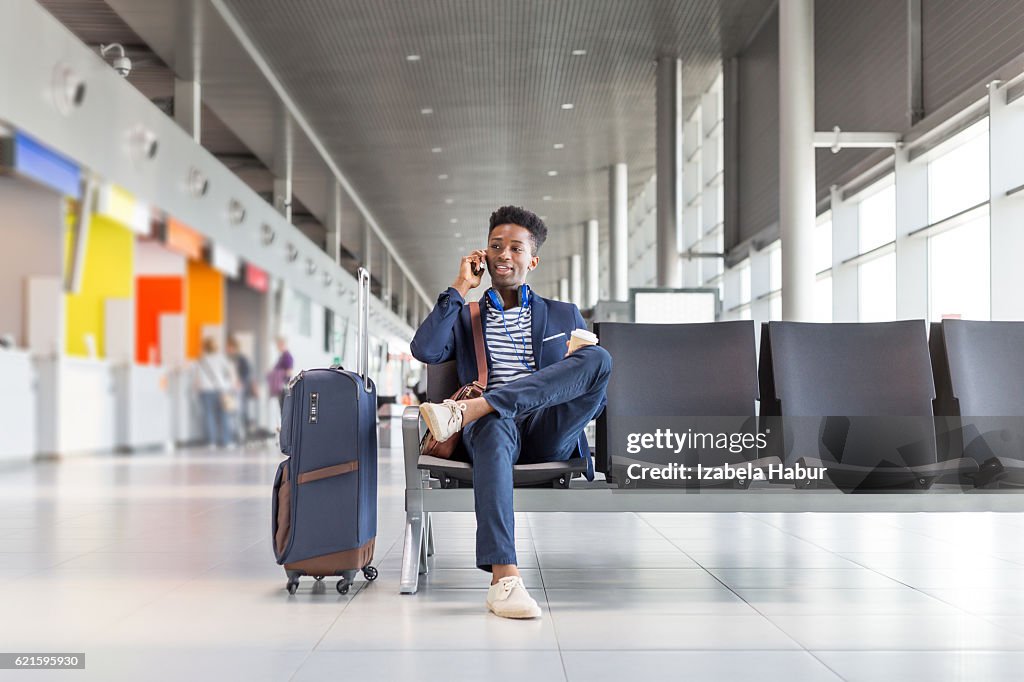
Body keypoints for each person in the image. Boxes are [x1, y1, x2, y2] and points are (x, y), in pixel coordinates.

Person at [411, 205, 612, 620]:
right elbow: (425, 350)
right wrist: (460, 287)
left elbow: (594, 390)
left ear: (532, 260)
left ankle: (473, 409)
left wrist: (566, 376)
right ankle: (504, 579)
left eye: (515, 248)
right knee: (493, 423)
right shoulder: (467, 316)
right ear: (483, 254)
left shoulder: (562, 314)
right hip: (491, 432)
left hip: (546, 427)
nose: (504, 254)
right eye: (495, 245)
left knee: (599, 359)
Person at [195, 336, 239, 448]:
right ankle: (227, 441)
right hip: (221, 389)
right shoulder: (221, 358)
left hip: (205, 391)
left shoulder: (201, 360)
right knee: (224, 415)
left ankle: (212, 442)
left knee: (209, 416)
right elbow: (229, 372)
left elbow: (197, 377)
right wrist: (231, 385)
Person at [226, 336, 255, 443]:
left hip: (240, 390)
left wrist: (241, 382)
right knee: (232, 412)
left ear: (234, 347)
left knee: (240, 412)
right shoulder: (229, 359)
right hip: (231, 389)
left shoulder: (242, 359)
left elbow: (247, 373)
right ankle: (235, 435)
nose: (228, 349)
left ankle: (242, 436)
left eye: (229, 347)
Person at [268, 336, 294, 412]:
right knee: (281, 409)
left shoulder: (287, 357)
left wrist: (279, 375)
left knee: (283, 410)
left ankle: (284, 424)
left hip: (283, 387)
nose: (277, 347)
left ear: (282, 344)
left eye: (278, 345)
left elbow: (289, 372)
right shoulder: (282, 356)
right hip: (281, 387)